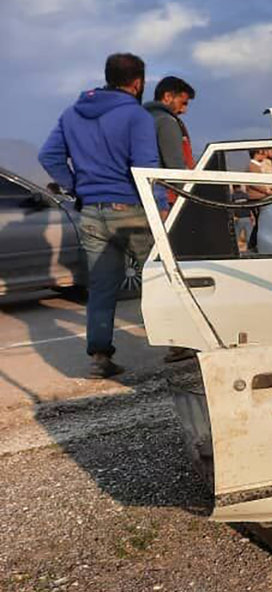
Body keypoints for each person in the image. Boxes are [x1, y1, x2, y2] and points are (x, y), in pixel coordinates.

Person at [38, 53, 160, 379]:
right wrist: (159, 206)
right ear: (137, 83)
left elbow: (47, 155)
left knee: (103, 287)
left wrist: (75, 185)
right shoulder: (136, 116)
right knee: (159, 276)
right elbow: (147, 167)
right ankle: (180, 344)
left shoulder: (72, 113)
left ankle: (101, 357)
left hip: (91, 212)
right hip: (130, 210)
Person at [145, 76, 196, 176]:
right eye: (183, 103)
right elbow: (176, 168)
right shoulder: (167, 122)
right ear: (167, 97)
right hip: (163, 188)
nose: (184, 110)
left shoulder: (143, 118)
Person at [240, 148, 272, 251]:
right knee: (260, 222)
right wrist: (266, 190)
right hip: (257, 198)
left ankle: (254, 244)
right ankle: (253, 244)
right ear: (256, 154)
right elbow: (254, 183)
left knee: (261, 222)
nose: (264, 155)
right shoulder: (252, 166)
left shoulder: (260, 166)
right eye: (262, 153)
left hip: (262, 197)